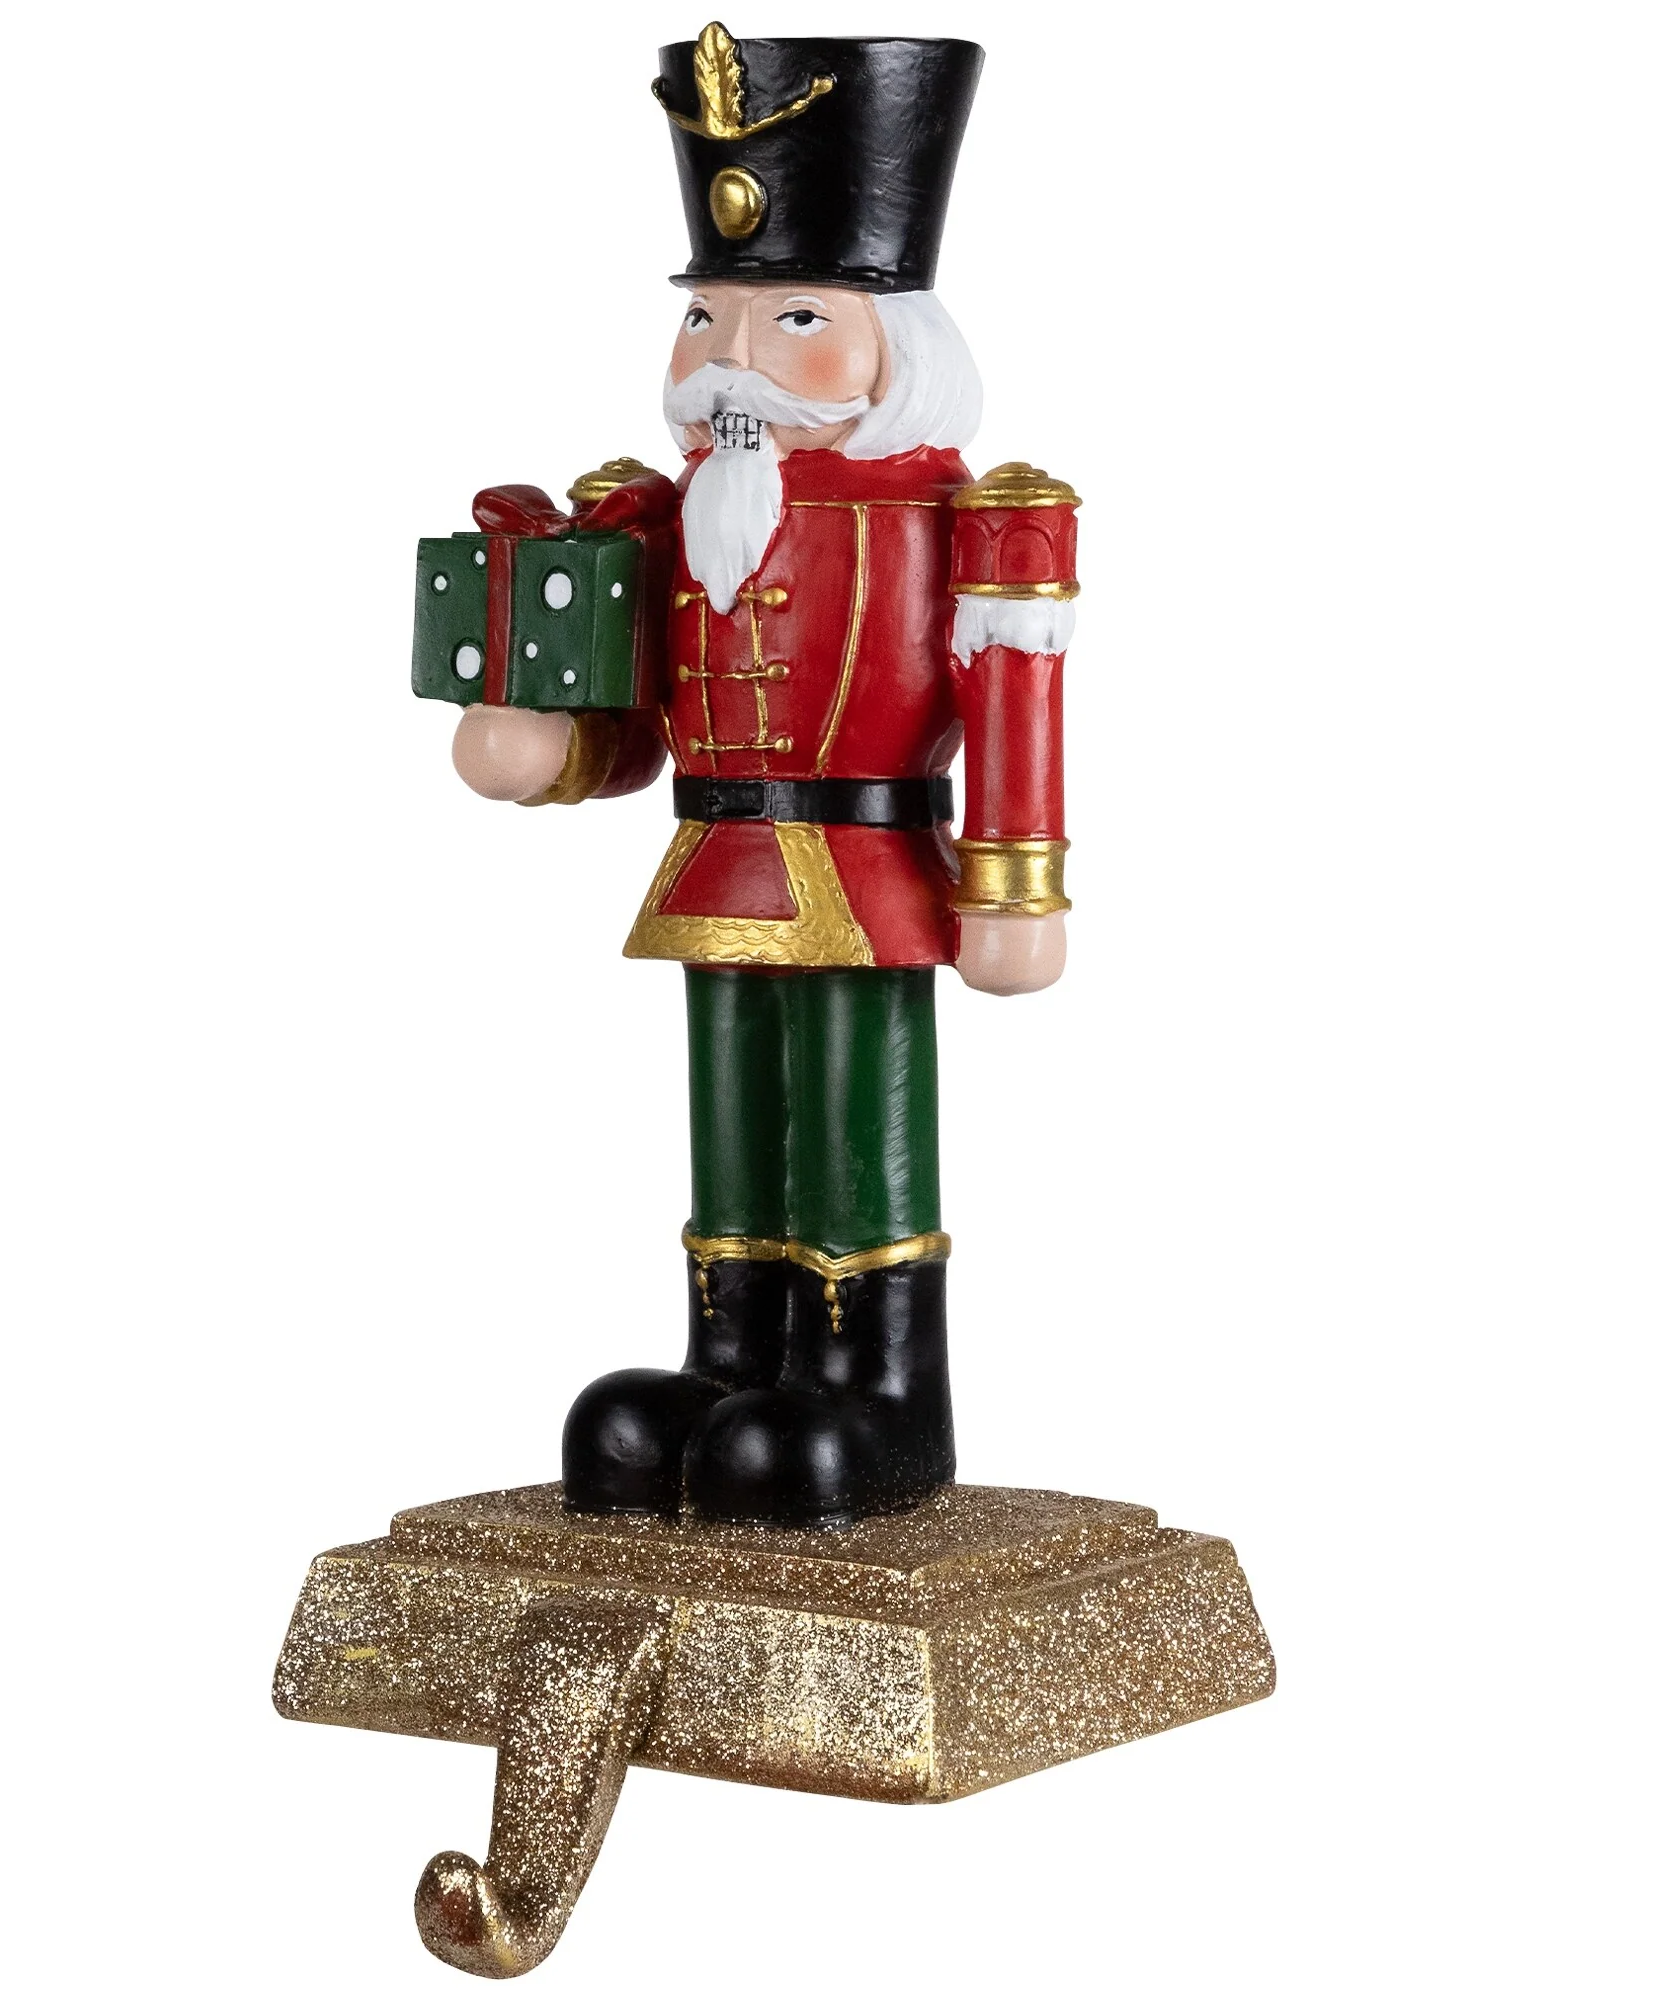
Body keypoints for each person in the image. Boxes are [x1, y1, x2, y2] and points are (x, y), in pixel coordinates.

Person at [447, 25, 1078, 1527]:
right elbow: (624, 707)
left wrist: (1017, 886)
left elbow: (1013, 697)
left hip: (867, 871)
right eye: (705, 317)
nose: (730, 358)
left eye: (791, 316)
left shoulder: (964, 517)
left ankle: (879, 1384)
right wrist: (546, 741)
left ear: (900, 343)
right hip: (715, 857)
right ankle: (730, 1355)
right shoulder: (664, 513)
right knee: (731, 1104)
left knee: (859, 1107)